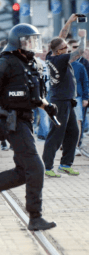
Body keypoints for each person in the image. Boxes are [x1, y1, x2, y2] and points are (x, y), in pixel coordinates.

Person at [0, 23, 57, 231]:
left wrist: (46, 106)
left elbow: (33, 94)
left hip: (25, 120)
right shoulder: (4, 62)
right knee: (36, 168)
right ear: (18, 43)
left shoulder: (31, 63)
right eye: (29, 40)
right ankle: (35, 217)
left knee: (23, 172)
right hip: (12, 122)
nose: (34, 45)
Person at [43, 14, 86, 177]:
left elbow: (60, 37)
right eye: (65, 47)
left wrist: (68, 22)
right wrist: (83, 37)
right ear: (60, 51)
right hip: (59, 102)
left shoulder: (51, 55)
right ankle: (47, 167)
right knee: (56, 134)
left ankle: (65, 164)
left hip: (66, 101)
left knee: (73, 132)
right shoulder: (60, 60)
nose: (67, 47)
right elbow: (80, 51)